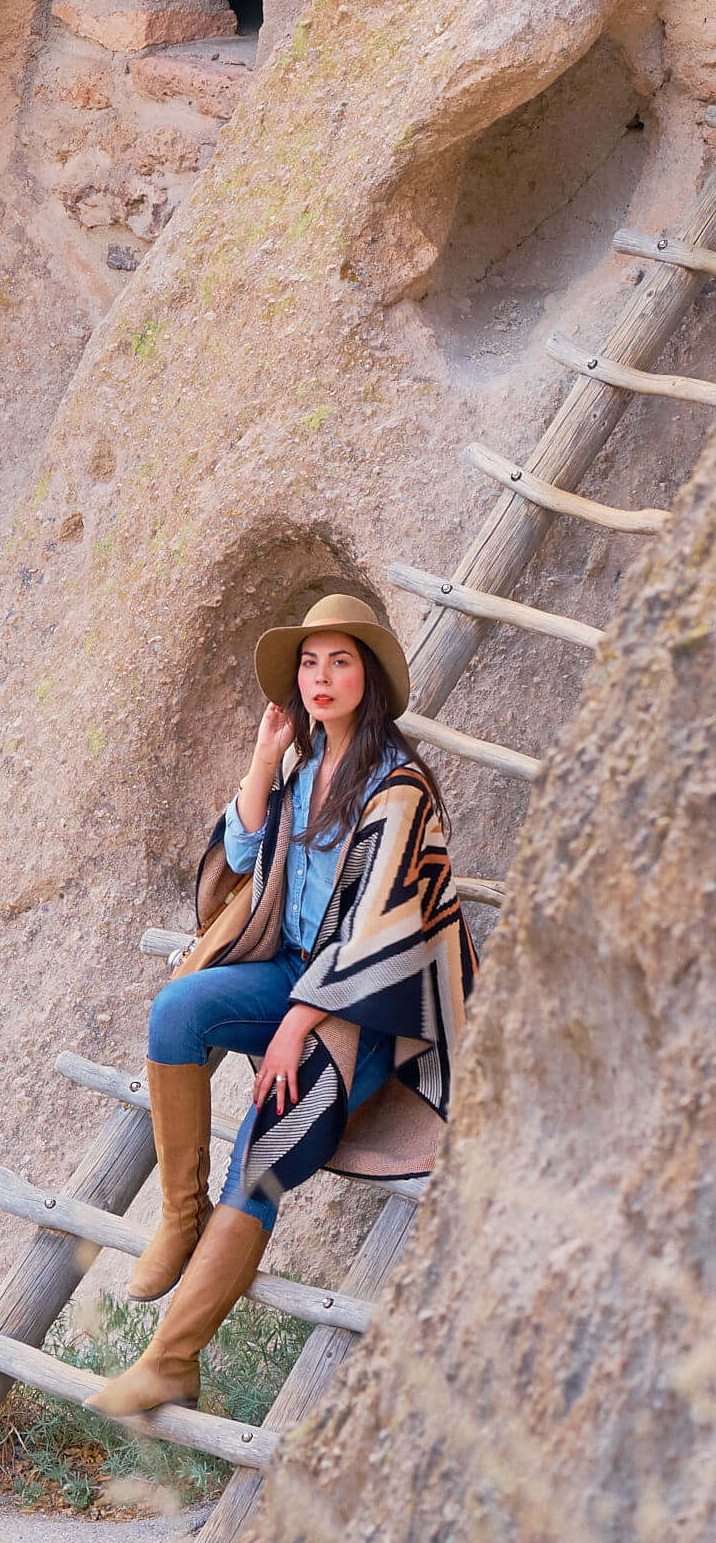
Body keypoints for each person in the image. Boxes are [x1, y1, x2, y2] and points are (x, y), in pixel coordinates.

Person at [87, 592, 476, 1421]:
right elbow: (237, 861)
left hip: (372, 1010)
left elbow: (387, 932)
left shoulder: (398, 789)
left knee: (267, 1141)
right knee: (177, 1012)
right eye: (310, 662)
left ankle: (171, 1360)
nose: (321, 677)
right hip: (298, 972)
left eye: (340, 661)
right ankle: (181, 1216)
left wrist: (299, 1024)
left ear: (367, 679)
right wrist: (262, 765)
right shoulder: (302, 768)